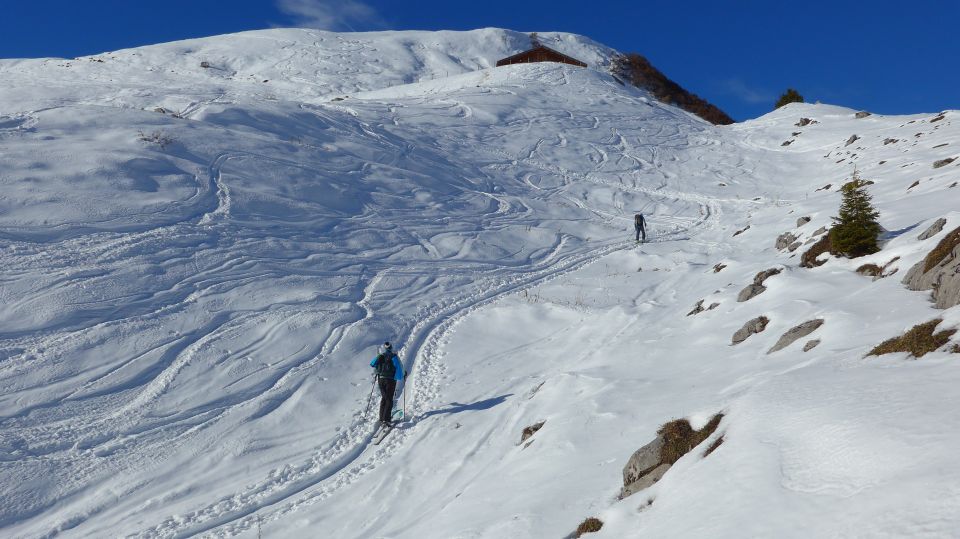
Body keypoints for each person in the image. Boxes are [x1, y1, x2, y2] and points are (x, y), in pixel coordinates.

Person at [370, 342, 405, 426]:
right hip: (390, 380)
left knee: (384, 398)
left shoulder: (381, 356)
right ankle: (386, 419)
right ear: (391, 348)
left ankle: (382, 417)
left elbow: (372, 363)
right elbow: (399, 368)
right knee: (389, 399)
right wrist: (402, 375)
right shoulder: (394, 356)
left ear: (385, 348)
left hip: (381, 379)